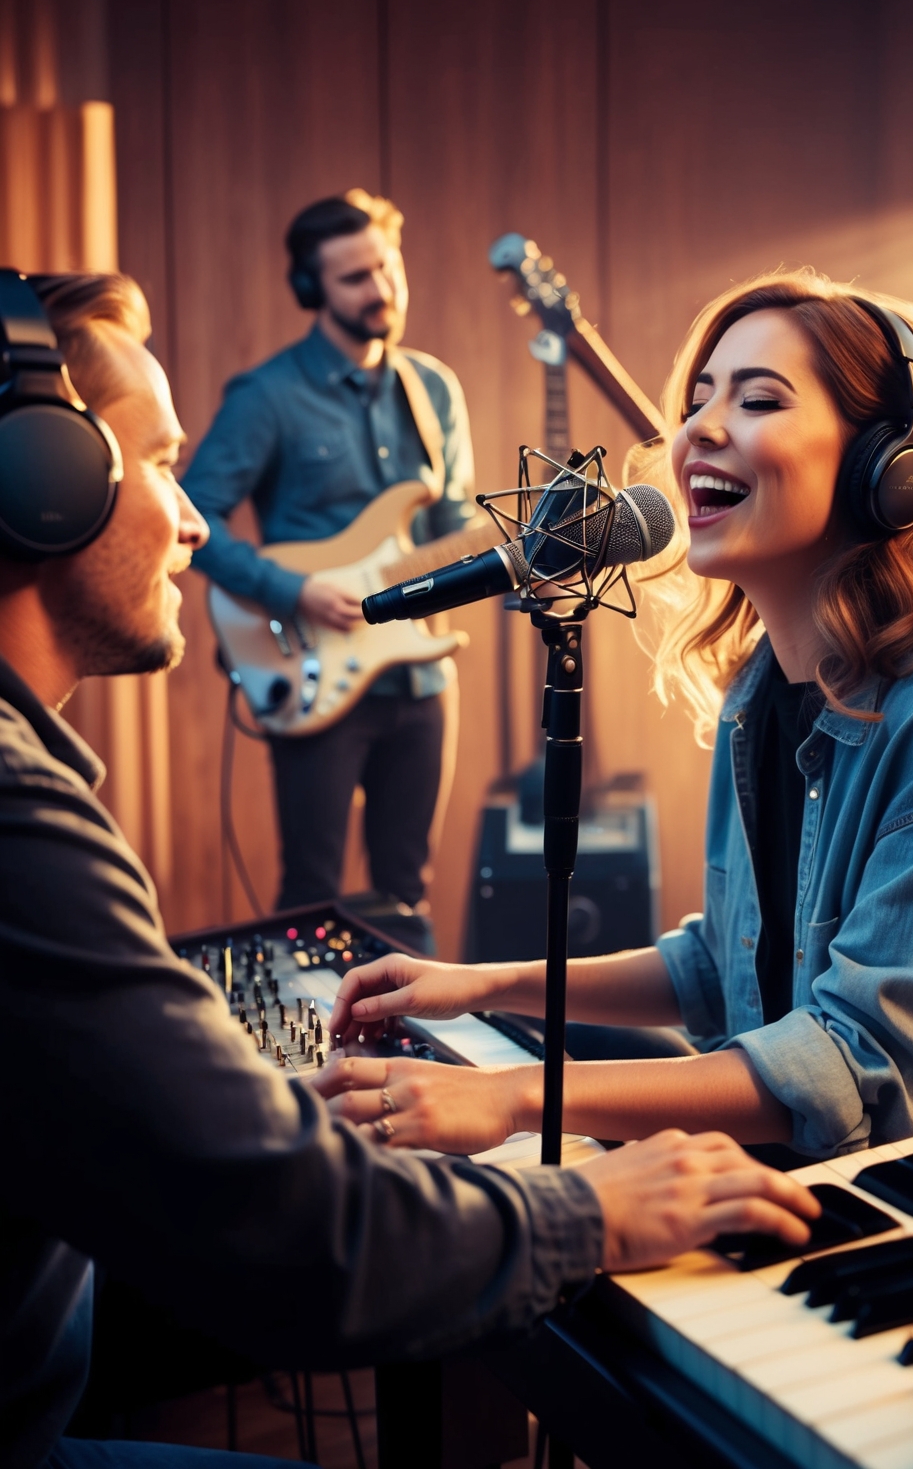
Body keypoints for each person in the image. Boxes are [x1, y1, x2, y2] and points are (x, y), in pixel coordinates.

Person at [0, 269, 818, 1469]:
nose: (190, 523)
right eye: (163, 466)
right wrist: (588, 1204)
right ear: (44, 484)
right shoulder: (19, 816)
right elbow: (303, 1235)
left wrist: (477, 992)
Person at [319, 270, 913, 1160]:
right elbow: (730, 959)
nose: (699, 430)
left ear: (891, 469)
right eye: (696, 402)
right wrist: (476, 984)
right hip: (849, 1150)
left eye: (759, 400)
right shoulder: (764, 687)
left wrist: (510, 1099)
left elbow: (859, 1063)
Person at [179, 191, 473, 938]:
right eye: (355, 278)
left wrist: (514, 551)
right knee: (311, 888)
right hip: (313, 669)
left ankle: (409, 1047)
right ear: (313, 289)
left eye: (387, 266)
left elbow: (455, 524)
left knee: (407, 889)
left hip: (420, 671)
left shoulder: (432, 387)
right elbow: (191, 517)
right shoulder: (267, 396)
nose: (381, 290)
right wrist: (294, 590)